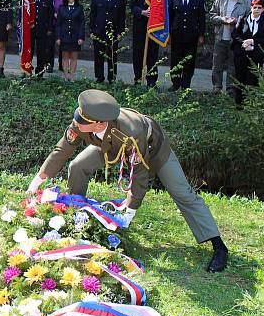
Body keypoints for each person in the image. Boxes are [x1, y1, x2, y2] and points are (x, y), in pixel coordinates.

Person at [26, 89, 230, 273]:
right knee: (77, 166)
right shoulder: (82, 121)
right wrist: (38, 180)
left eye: (82, 122)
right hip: (108, 147)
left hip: (152, 149)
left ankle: (218, 245)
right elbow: (62, 150)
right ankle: (78, 218)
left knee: (182, 192)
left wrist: (129, 211)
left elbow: (140, 173)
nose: (76, 123)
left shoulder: (132, 130)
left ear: (99, 123)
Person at [209, 0, 250, 93]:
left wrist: (237, 21)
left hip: (235, 40)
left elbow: (249, 20)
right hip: (221, 37)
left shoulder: (246, 2)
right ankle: (216, 87)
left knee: (233, 65)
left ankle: (231, 89)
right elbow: (212, 15)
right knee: (217, 64)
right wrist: (222, 19)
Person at [231, 0, 264, 107]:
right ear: (251, 8)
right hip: (241, 54)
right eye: (255, 7)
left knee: (252, 80)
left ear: (263, 9)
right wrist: (244, 43)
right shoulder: (242, 19)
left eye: (259, 8)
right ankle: (238, 104)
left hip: (256, 56)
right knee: (240, 78)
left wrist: (252, 42)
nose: (257, 10)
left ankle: (250, 105)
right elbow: (235, 34)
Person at [168, 0, 206, 91]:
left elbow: (202, 18)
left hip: (191, 35)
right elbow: (169, 17)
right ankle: (175, 83)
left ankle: (186, 85)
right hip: (176, 34)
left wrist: (201, 35)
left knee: (189, 60)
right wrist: (168, 33)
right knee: (175, 59)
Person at [89, 0, 126, 83]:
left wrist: (120, 32)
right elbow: (93, 14)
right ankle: (99, 77)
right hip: (99, 31)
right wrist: (92, 30)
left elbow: (121, 16)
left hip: (113, 32)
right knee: (98, 55)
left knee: (112, 56)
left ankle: (112, 77)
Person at [129, 0, 160, 87]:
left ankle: (151, 81)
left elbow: (161, 3)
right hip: (140, 24)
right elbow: (131, 5)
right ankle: (138, 79)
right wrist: (142, 12)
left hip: (153, 24)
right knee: (138, 53)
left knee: (152, 53)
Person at [30, 0, 56, 76]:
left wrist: (49, 28)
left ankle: (39, 72)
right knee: (29, 51)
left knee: (41, 51)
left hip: (43, 28)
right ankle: (28, 71)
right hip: (30, 28)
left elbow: (50, 14)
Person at [56, 0, 85, 81]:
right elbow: (58, 24)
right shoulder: (61, 8)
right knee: (64, 57)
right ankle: (65, 76)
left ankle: (72, 76)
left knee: (73, 57)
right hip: (64, 36)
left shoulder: (79, 8)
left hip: (75, 36)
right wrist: (58, 37)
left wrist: (81, 37)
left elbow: (82, 23)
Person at [45, 0, 68, 70]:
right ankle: (49, 65)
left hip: (64, 21)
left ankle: (62, 65)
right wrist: (53, 13)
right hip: (51, 21)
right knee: (50, 44)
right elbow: (45, 5)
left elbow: (72, 4)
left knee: (63, 44)